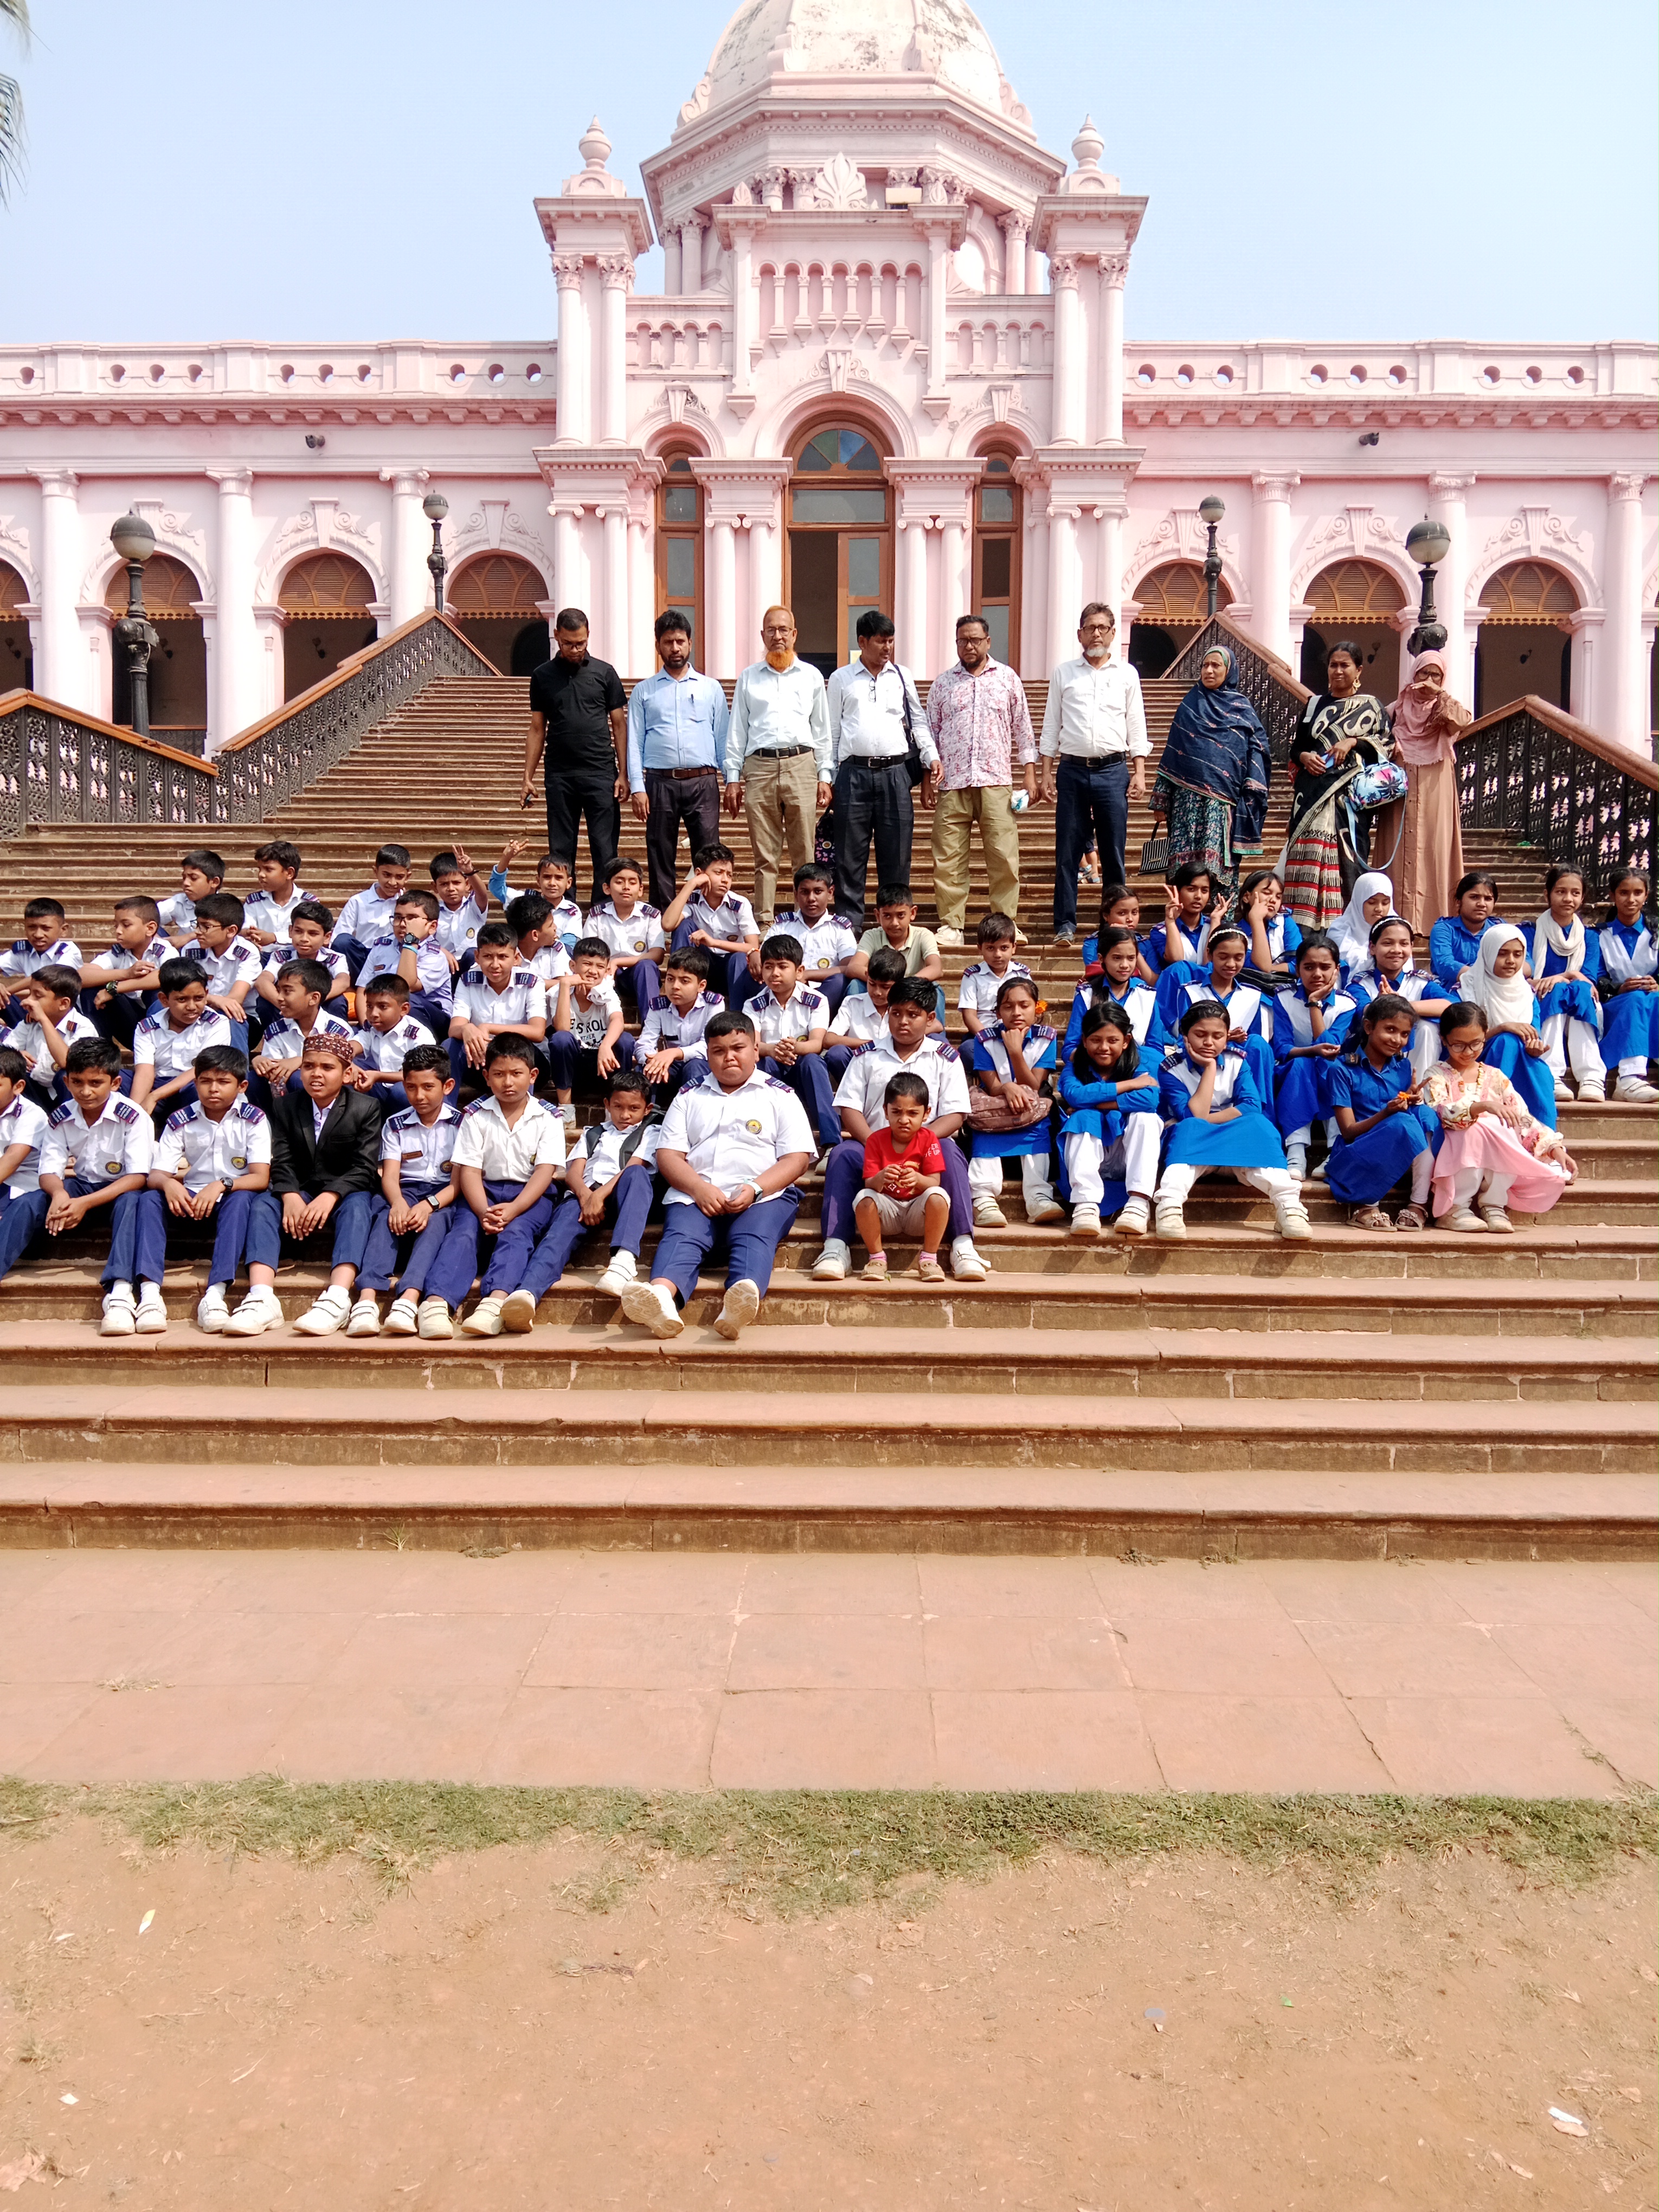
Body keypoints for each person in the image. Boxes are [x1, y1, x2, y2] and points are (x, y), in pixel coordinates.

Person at [617, 1010, 813, 1342]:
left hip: (763, 1195)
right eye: (719, 1051)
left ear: (755, 1050)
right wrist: (698, 1188)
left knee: (753, 1238)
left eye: (738, 1048)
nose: (729, 1057)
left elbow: (797, 1158)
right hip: (696, 1194)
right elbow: (668, 1155)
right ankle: (661, 1299)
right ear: (707, 1055)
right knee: (682, 1237)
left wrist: (755, 1188)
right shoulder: (688, 1096)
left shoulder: (781, 1095)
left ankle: (738, 1304)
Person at [813, 979, 988, 1283]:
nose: (903, 1021)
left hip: (927, 1147)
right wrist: (878, 1144)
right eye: (896, 1013)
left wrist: (918, 1144)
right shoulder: (867, 1055)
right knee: (842, 1154)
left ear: (930, 1018)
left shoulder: (945, 1058)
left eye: (913, 1014)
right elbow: (849, 1108)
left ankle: (963, 1246)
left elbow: (956, 1114)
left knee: (950, 1150)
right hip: (872, 1145)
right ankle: (835, 1248)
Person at [415, 1034, 567, 1338]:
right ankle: (436, 1302)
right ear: (486, 1076)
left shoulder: (548, 1118)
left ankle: (495, 1303)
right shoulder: (475, 1116)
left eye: (516, 1074)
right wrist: (483, 1210)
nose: (507, 1082)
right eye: (498, 1074)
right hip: (483, 1192)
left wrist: (515, 1209)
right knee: (463, 1233)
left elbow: (544, 1172)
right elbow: (469, 1171)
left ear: (533, 1076)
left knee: (517, 1232)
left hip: (530, 1195)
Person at [5, 1038, 157, 1333]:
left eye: (95, 1083)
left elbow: (138, 1176)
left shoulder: (134, 1117)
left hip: (119, 1190)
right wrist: (59, 1193)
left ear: (115, 1083)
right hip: (82, 1187)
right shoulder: (61, 1117)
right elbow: (49, 1170)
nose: (85, 1091)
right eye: (77, 1082)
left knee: (133, 1202)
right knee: (29, 1201)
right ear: (66, 1081)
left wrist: (84, 1204)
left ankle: (120, 1290)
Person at [141, 1043, 282, 1333]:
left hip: (230, 1198)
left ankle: (216, 1293)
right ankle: (149, 1294)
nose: (213, 1089)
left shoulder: (254, 1119)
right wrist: (168, 1184)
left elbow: (260, 1178)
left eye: (223, 1082)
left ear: (242, 1086)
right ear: (195, 1084)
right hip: (191, 1197)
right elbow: (156, 1174)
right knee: (148, 1199)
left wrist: (222, 1184)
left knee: (242, 1199)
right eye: (205, 1081)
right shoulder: (181, 1120)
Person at [1153, 1001, 1312, 1242]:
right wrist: (1209, 1067)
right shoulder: (1171, 1069)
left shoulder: (1237, 1061)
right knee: (1187, 1128)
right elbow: (1190, 1116)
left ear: (1227, 1037)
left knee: (1259, 1124)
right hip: (1195, 1142)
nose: (1209, 1043)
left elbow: (1250, 1105)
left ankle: (1289, 1207)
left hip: (1232, 1139)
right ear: (1185, 1036)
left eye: (1218, 1036)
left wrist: (1207, 1120)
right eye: (1200, 1035)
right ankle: (1170, 1206)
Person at [1039, 603, 1149, 943]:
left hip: (1113, 771)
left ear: (1114, 634)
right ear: (1080, 634)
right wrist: (1046, 773)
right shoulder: (1064, 673)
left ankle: (1114, 924)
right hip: (1072, 771)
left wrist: (1139, 772)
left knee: (1113, 851)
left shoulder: (1127, 674)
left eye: (1103, 628)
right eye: (1090, 628)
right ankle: (1065, 924)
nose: (1097, 634)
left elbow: (1136, 724)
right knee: (1068, 850)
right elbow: (1051, 723)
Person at [262, 1032, 383, 1339]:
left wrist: (331, 1195)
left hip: (345, 1189)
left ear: (347, 1074)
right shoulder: (286, 1106)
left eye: (327, 1067)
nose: (316, 1074)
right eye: (309, 1066)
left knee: (359, 1205)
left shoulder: (366, 1107)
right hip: (302, 1186)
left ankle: (338, 1296)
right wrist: (290, 1194)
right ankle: (261, 1297)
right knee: (263, 1204)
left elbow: (364, 1167)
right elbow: (282, 1160)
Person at [927, 614, 1037, 947]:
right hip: (952, 783)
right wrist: (926, 778)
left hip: (996, 780)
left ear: (988, 641)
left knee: (1004, 857)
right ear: (956, 643)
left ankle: (1005, 923)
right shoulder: (943, 684)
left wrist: (1030, 773)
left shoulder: (1007, 679)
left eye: (975, 640)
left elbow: (1023, 729)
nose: (969, 646)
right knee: (948, 857)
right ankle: (951, 925)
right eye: (963, 640)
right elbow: (930, 734)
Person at [826, 610, 938, 930]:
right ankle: (849, 929)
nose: (887, 647)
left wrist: (931, 756)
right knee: (849, 858)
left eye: (891, 641)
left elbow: (918, 721)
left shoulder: (901, 676)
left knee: (897, 857)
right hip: (853, 775)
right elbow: (832, 732)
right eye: (880, 641)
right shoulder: (841, 679)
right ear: (862, 642)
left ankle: (895, 925)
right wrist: (829, 778)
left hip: (895, 774)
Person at [345, 1043, 465, 1339]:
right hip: (406, 1188)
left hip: (444, 1193)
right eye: (411, 1087)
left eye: (428, 1087)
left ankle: (408, 1299)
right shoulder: (396, 1125)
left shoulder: (463, 1124)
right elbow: (390, 1176)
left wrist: (429, 1205)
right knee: (387, 1217)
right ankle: (367, 1299)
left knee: (436, 1223)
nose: (419, 1096)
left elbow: (458, 1183)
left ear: (448, 1086)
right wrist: (398, 1202)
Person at [1422, 1003, 1575, 1232]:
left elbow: (1522, 1117)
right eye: (1459, 1045)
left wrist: (1554, 1148)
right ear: (1444, 1040)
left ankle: (1494, 1202)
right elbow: (1441, 1110)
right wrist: (1481, 1107)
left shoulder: (1495, 1076)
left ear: (1485, 1036)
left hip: (1492, 1145)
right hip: (1452, 1148)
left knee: (1505, 1125)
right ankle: (1455, 1206)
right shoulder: (1435, 1075)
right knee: (1476, 1129)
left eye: (1476, 1044)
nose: (1468, 1052)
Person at [518, 1065, 662, 1305]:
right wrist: (586, 1196)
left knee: (637, 1174)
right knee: (560, 1229)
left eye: (634, 1108)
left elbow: (634, 1164)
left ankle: (623, 1262)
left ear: (647, 1109)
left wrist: (599, 1196)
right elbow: (574, 1173)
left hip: (625, 1201)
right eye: (618, 1107)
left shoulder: (652, 1132)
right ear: (607, 1105)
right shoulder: (593, 1134)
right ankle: (528, 1291)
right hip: (585, 1197)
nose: (625, 1115)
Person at [724, 607, 832, 924]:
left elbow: (822, 730)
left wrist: (825, 775)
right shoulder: (749, 677)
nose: (778, 636)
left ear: (794, 634)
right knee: (764, 854)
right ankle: (764, 920)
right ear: (763, 636)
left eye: (784, 630)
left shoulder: (811, 676)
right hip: (759, 767)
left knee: (805, 853)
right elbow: (737, 730)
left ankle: (807, 919)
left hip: (801, 764)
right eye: (771, 630)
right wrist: (733, 777)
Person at [1282, 640, 1396, 926]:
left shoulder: (1372, 707)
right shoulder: (1314, 705)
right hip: (1311, 795)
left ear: (1359, 670)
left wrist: (1354, 742)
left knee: (1347, 862)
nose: (1338, 671)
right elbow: (1297, 747)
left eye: (1345, 665)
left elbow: (1387, 745)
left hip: (1348, 802)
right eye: (1333, 665)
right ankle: (1303, 929)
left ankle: (1345, 926)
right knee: (1305, 860)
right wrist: (1305, 756)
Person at [1147, 643, 1268, 902]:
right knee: (1184, 865)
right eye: (1205, 665)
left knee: (1217, 866)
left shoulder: (1242, 709)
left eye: (1216, 666)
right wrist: (1161, 800)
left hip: (1221, 803)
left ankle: (1220, 917)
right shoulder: (1190, 705)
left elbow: (1257, 749)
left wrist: (1251, 789)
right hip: (1185, 803)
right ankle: (1182, 915)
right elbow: (1172, 752)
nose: (1209, 671)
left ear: (1229, 670)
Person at [626, 610, 730, 911]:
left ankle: (707, 912)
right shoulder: (644, 691)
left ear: (690, 644)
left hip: (703, 781)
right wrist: (638, 787)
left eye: (680, 642)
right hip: (660, 782)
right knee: (660, 851)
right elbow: (634, 742)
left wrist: (732, 780)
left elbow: (723, 739)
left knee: (709, 853)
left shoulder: (711, 688)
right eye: (668, 642)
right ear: (658, 645)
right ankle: (663, 916)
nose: (675, 648)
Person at [522, 608, 627, 905]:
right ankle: (563, 909)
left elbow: (620, 724)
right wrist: (527, 777)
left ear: (588, 636)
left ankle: (603, 910)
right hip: (560, 776)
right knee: (561, 849)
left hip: (601, 774)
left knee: (605, 849)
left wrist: (623, 773)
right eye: (568, 644)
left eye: (581, 643)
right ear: (557, 636)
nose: (575, 649)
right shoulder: (542, 676)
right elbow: (537, 728)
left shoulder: (605, 673)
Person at [1325, 994, 1437, 1232]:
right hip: (1356, 1154)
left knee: (1426, 1115)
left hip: (1396, 1152)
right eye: (1390, 1030)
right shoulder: (1342, 1069)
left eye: (1405, 1034)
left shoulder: (1403, 1067)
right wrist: (1387, 1112)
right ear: (1368, 1027)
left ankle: (1418, 1204)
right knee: (1400, 1123)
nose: (1397, 1040)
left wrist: (1412, 1100)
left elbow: (1406, 1115)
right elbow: (1348, 1131)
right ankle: (1366, 1206)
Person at [1057, 1002, 1162, 1239]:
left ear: (1126, 1041)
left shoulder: (1139, 1062)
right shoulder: (1075, 1068)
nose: (1104, 1048)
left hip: (1127, 1155)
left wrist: (1100, 1103)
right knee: (1083, 1117)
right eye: (1096, 1040)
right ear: (1084, 1041)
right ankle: (1086, 1205)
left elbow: (1149, 1099)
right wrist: (1129, 1085)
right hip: (1090, 1156)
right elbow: (1075, 1096)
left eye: (1113, 1041)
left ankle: (1138, 1203)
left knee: (1146, 1118)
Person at [965, 974, 1063, 1228]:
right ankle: (984, 1198)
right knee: (984, 1128)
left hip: (1031, 1106)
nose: (1016, 1013)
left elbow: (1034, 1085)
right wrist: (1007, 1087)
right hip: (996, 1106)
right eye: (1008, 1007)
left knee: (1038, 1126)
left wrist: (1016, 1052)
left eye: (1024, 1005)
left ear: (1037, 1008)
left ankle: (1038, 1196)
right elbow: (992, 1086)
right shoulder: (984, 1039)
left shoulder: (1047, 1037)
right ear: (998, 1012)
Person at [1384, 651, 1471, 935]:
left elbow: (1463, 721)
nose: (1429, 680)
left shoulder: (1444, 710)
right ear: (1414, 675)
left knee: (1435, 846)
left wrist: (1439, 694)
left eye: (1436, 675)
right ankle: (1395, 915)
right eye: (1424, 673)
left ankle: (1435, 919)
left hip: (1436, 786)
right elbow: (1378, 738)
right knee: (1398, 845)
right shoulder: (1396, 709)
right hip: (1400, 785)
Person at [1269, 934, 1358, 1182]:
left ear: (1337, 970)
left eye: (1325, 967)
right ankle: (1296, 1151)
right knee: (1301, 1064)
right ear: (1297, 969)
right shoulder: (1284, 998)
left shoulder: (1346, 1004)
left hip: (1330, 1070)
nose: (1317, 974)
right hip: (1292, 1070)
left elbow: (1330, 1048)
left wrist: (1315, 1004)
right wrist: (1312, 1052)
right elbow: (1282, 1049)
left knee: (1333, 1068)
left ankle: (1335, 1150)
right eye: (1308, 967)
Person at [1453, 921, 1557, 1129]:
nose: (1511, 961)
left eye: (1518, 955)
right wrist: (1502, 1028)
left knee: (1540, 1070)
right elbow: (1459, 1038)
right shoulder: (1466, 989)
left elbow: (1532, 1034)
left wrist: (1534, 1048)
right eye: (1502, 954)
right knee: (1506, 1042)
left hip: (1519, 1056)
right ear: (1488, 953)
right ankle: (1494, 1118)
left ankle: (1543, 1135)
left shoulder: (1527, 993)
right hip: (1475, 1056)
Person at [853, 1069, 951, 1283]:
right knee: (863, 1198)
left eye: (913, 1113)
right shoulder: (875, 1140)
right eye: (897, 1112)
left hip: (918, 1213)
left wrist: (918, 1179)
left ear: (926, 1114)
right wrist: (881, 1177)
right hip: (887, 1212)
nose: (904, 1120)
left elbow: (935, 1181)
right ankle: (877, 1258)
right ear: (886, 1111)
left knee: (939, 1196)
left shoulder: (929, 1139)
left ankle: (929, 1259)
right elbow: (870, 1183)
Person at [742, 933, 837, 1152]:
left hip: (802, 1068)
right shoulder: (753, 1005)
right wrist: (773, 1050)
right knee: (763, 1064)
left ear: (799, 971)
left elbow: (816, 1044)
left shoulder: (817, 1001)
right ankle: (761, 1140)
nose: (775, 973)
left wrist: (794, 1047)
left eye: (783, 967)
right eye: (768, 967)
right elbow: (754, 1046)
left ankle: (831, 1142)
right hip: (772, 1068)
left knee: (813, 1062)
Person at [1526, 863, 1606, 1103]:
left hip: (1579, 1004)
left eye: (1575, 893)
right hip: (1539, 1002)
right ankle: (1551, 1074)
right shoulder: (1529, 932)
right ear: (1547, 894)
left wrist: (1565, 976)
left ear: (1582, 898)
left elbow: (1588, 978)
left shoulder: (1590, 937)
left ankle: (1591, 1077)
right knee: (1559, 989)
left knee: (1578, 989)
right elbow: (1523, 976)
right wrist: (1562, 979)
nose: (1568, 898)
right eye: (1560, 892)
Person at [1346, 915, 1451, 1085]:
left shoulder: (1419, 982)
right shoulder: (1360, 984)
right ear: (1372, 947)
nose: (1396, 950)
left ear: (1411, 947)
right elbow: (1362, 1011)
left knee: (1428, 1028)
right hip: (1369, 1064)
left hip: (1416, 1062)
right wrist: (1381, 1007)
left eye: (1404, 944)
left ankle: (1419, 1089)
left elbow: (1450, 1006)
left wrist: (1403, 1006)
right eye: (1388, 943)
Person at [446, 922, 549, 1092]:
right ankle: (447, 1106)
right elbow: (454, 1028)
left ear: (516, 958)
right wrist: (466, 1029)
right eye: (488, 957)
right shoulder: (467, 981)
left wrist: (487, 1027)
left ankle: (523, 1105)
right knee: (451, 1045)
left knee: (522, 1050)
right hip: (483, 1061)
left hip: (527, 1062)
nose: (495, 964)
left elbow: (538, 1032)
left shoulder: (532, 982)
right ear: (477, 957)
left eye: (502, 957)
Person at [130, 958, 234, 1121]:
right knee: (119, 1081)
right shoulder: (147, 1028)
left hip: (190, 1086)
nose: (192, 1007)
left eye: (199, 998)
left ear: (206, 995)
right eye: (182, 1000)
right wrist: (134, 1113)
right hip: (158, 1083)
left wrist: (155, 1096)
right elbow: (145, 1073)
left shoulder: (216, 1024)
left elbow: (202, 1069)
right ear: (164, 1000)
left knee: (203, 1086)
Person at [660, 843, 760, 1009]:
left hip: (731, 972)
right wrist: (691, 884)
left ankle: (736, 1015)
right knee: (684, 926)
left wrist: (713, 942)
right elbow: (668, 924)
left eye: (729, 875)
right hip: (701, 970)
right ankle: (680, 991)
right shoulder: (692, 900)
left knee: (739, 957)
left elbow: (753, 946)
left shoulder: (739, 904)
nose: (725, 880)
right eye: (719, 873)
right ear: (700, 874)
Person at [549, 938, 636, 1114]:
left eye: (600, 966)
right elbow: (562, 1029)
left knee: (626, 1041)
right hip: (573, 1071)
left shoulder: (607, 991)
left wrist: (605, 1046)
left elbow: (618, 1020)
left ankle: (616, 1106)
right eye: (587, 964)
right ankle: (566, 1109)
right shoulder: (558, 993)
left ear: (606, 970)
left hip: (603, 1068)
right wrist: (565, 985)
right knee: (560, 1039)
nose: (593, 971)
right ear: (573, 966)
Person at [249, 961, 358, 1101]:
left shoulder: (337, 1030)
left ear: (314, 998)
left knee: (298, 1078)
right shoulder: (276, 1030)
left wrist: (301, 1062)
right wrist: (261, 1062)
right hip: (285, 1098)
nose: (279, 998)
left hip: (327, 1099)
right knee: (254, 1079)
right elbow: (274, 1073)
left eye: (287, 991)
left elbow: (342, 1071)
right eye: (279, 990)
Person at [355, 890, 453, 1038]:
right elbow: (363, 990)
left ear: (432, 926)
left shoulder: (435, 955)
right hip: (385, 1014)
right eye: (398, 917)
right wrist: (367, 1026)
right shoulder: (382, 947)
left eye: (411, 918)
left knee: (405, 1000)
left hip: (433, 1019)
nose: (402, 924)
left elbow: (405, 986)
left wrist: (411, 941)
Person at [1597, 868, 1659, 1103]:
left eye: (1638, 893)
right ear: (1612, 895)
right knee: (1636, 999)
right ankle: (1629, 1078)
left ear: (1646, 895)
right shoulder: (1598, 935)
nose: (1631, 899)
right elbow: (1596, 977)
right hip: (1615, 1008)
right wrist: (1619, 989)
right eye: (1624, 893)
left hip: (1652, 1004)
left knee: (1651, 998)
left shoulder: (1657, 933)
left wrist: (1657, 984)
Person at [3, 964, 101, 1109]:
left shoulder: (82, 1027)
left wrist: (44, 1020)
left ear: (63, 1004)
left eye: (38, 996)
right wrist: (15, 1056)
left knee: (66, 1076)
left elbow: (67, 1062)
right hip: (36, 1089)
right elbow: (5, 1050)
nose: (29, 1000)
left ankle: (68, 1120)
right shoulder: (30, 1022)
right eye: (30, 993)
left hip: (67, 1095)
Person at [1062, 927, 1166, 1060]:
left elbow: (1156, 1049)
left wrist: (1127, 1061)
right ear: (1101, 959)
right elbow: (1070, 1049)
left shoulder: (1147, 995)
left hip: (1137, 1066)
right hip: (1095, 1064)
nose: (1125, 965)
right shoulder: (1087, 994)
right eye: (1117, 958)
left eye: (1131, 958)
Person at [79, 897, 170, 1047]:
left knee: (156, 993)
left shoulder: (164, 950)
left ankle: (158, 1050)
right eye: (116, 926)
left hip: (161, 1028)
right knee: (90, 991)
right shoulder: (119, 954)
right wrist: (126, 974)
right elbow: (81, 976)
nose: (118, 931)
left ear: (150, 928)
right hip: (131, 1025)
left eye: (126, 925)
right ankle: (99, 1050)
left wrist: (116, 988)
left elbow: (166, 975)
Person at [773, 863, 858, 1015]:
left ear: (830, 893)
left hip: (825, 993)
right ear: (796, 894)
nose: (811, 898)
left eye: (818, 891)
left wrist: (806, 974)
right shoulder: (783, 926)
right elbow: (767, 960)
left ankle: (815, 1022)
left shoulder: (840, 928)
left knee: (839, 981)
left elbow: (848, 967)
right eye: (805, 892)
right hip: (786, 990)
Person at [584, 855, 664, 1018]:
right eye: (619, 882)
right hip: (605, 975)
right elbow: (588, 952)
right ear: (607, 888)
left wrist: (617, 962)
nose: (626, 887)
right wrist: (608, 967)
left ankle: (651, 1024)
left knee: (647, 966)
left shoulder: (651, 916)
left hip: (637, 976)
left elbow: (657, 955)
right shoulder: (597, 916)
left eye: (632, 883)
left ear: (641, 890)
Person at [639, 948, 722, 1102]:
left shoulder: (713, 1004)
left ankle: (693, 1113)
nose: (675, 986)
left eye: (685, 981)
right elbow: (645, 1043)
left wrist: (674, 1053)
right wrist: (653, 1061)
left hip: (702, 1067)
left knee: (695, 1066)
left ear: (701, 986)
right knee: (645, 1069)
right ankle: (649, 1114)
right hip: (670, 1068)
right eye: (670, 979)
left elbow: (708, 1046)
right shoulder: (659, 1006)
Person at [350, 975, 437, 1112]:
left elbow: (417, 1074)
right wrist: (347, 1060)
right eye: (369, 1006)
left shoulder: (418, 1035)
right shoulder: (373, 1029)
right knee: (347, 1072)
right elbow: (353, 1045)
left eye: (383, 1007)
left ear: (404, 1009)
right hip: (379, 1086)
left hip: (407, 1090)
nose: (374, 1014)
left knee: (401, 1091)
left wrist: (378, 1076)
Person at [824, 944, 905, 1086]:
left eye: (885, 987)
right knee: (837, 1053)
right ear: (867, 976)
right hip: (857, 1067)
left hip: (895, 1068)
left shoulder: (905, 1007)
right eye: (872, 984)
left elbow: (935, 1026)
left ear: (899, 984)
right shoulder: (853, 1003)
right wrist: (873, 1044)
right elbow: (829, 1039)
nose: (877, 992)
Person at [331, 846, 411, 980]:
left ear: (408, 877)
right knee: (342, 941)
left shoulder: (410, 904)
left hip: (395, 958)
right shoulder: (358, 901)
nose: (392, 882)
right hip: (362, 958)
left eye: (399, 877)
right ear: (376, 872)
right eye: (387, 875)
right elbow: (338, 937)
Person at [1, 899, 81, 1024]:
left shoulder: (69, 951)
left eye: (46, 928)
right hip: (34, 1011)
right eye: (32, 927)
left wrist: (7, 991)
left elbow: (46, 980)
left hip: (63, 1016)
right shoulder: (24, 952)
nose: (38, 935)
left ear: (63, 930)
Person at [957, 913, 1030, 1039]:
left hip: (1016, 1033)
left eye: (1004, 948)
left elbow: (1030, 1009)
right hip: (982, 1034)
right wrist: (989, 1039)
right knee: (968, 1048)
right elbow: (969, 1016)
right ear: (980, 948)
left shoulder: (1022, 974)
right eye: (990, 948)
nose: (998, 954)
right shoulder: (973, 976)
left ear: (1014, 948)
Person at [1429, 872, 1503, 992]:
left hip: (1494, 991)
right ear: (1459, 901)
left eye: (1488, 899)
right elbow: (1446, 965)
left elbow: (1527, 964)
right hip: (1450, 993)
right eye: (1474, 897)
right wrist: (1486, 978)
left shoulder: (1500, 929)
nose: (1482, 904)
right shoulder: (1444, 929)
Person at [1328, 871, 1397, 980]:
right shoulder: (1340, 931)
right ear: (1359, 901)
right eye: (1372, 902)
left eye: (1385, 903)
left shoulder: (1398, 930)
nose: (1379, 909)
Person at [242, 840, 311, 949]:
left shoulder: (308, 903)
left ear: (289, 873)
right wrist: (249, 934)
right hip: (261, 955)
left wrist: (274, 937)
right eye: (260, 869)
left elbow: (311, 936)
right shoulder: (254, 902)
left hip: (296, 956)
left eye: (269, 869)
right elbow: (244, 928)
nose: (261, 875)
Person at [157, 847, 226, 940]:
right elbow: (149, 916)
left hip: (211, 948)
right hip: (182, 949)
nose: (186, 883)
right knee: (146, 922)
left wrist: (188, 937)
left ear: (214, 882)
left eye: (194, 878)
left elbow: (223, 933)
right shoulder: (180, 901)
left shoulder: (226, 906)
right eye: (184, 878)